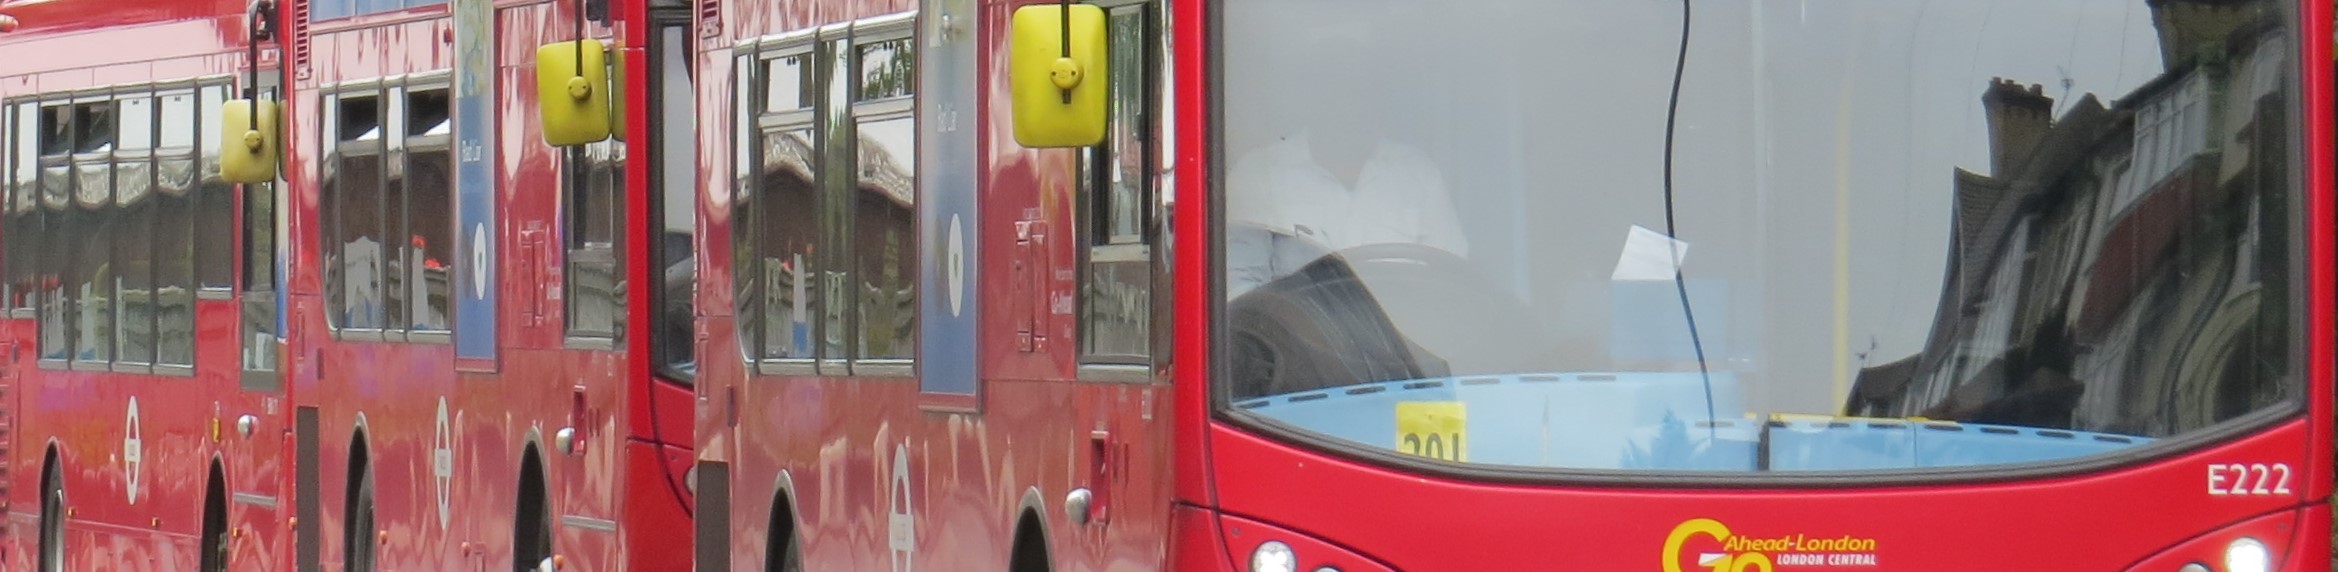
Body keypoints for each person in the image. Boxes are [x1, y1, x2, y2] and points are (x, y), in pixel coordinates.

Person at [1221, 11, 1468, 300]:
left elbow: (1450, 279)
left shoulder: (1417, 176)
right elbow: (1238, 288)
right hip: (1293, 342)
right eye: (1331, 82)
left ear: (1375, 92)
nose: (1343, 98)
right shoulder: (1260, 173)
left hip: (1402, 342)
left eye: (1355, 82)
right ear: (1310, 92)